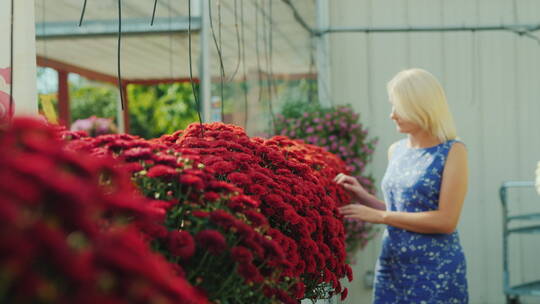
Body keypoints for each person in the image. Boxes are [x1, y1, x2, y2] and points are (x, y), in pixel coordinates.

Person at [335, 68, 468, 303]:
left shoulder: (452, 151)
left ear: (421, 107)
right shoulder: (396, 151)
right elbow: (404, 212)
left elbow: (446, 221)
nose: (392, 115)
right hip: (392, 265)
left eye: (399, 107)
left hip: (435, 270)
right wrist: (363, 196)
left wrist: (380, 216)